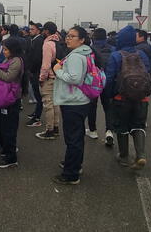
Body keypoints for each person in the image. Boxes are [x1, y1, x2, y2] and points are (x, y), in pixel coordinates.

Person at [50, 26, 94, 185]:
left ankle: (71, 174)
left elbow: (74, 78)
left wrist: (57, 70)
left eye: (72, 36)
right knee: (77, 136)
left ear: (82, 39)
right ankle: (74, 164)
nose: (68, 38)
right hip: (80, 100)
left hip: (73, 101)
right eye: (67, 36)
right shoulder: (85, 52)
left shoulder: (76, 56)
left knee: (73, 138)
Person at [104, 26, 151, 169]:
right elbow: (148, 73)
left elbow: (110, 78)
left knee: (121, 126)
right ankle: (141, 155)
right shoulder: (142, 54)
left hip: (121, 97)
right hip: (141, 98)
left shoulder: (116, 55)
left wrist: (110, 95)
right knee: (138, 125)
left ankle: (124, 156)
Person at [0, 38, 25, 168]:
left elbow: (8, 77)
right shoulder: (9, 59)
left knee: (8, 129)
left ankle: (11, 157)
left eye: (6, 49)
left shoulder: (16, 61)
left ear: (13, 50)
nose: (4, 52)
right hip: (4, 98)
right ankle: (8, 148)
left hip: (10, 99)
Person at [36, 22, 62, 140]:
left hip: (49, 77)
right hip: (58, 76)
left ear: (46, 31)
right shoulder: (59, 42)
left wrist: (41, 78)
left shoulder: (48, 44)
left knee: (48, 104)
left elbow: (46, 65)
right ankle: (56, 128)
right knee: (55, 103)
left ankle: (49, 130)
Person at [88, 28, 115, 143]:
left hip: (93, 83)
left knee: (92, 106)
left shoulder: (89, 50)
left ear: (93, 37)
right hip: (108, 82)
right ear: (106, 37)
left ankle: (93, 130)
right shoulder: (113, 49)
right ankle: (109, 131)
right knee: (108, 107)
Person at [26, 21, 45, 127]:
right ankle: (36, 113)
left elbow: (37, 58)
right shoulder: (34, 40)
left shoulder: (38, 41)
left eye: (32, 29)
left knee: (38, 95)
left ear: (38, 30)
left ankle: (37, 117)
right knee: (37, 95)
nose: (30, 31)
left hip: (36, 72)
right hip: (34, 71)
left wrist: (31, 70)